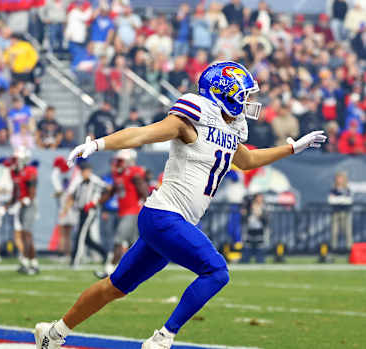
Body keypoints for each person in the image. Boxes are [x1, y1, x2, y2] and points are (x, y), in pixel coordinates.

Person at [34, 61, 327, 349]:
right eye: (243, 94)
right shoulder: (195, 115)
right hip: (165, 216)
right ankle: (162, 339)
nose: (248, 101)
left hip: (171, 221)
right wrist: (98, 144)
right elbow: (143, 133)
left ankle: (53, 333)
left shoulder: (228, 130)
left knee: (116, 286)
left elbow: (248, 160)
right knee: (216, 271)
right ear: (223, 92)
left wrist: (292, 147)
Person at [94, 149, 148, 279]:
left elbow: (144, 191)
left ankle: (109, 269)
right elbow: (111, 192)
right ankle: (136, 270)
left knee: (119, 240)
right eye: (116, 161)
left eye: (120, 161)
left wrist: (148, 205)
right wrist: (96, 202)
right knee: (133, 244)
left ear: (128, 162)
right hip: (123, 212)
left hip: (133, 212)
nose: (117, 164)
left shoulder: (133, 173)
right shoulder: (117, 175)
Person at [66, 161, 109, 268]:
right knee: (86, 239)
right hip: (81, 210)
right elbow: (72, 194)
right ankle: (105, 254)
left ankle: (75, 260)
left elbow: (108, 189)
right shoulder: (79, 180)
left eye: (86, 171)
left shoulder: (95, 180)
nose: (84, 173)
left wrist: (96, 202)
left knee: (80, 235)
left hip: (90, 211)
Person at [10, 147, 39, 274]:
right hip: (22, 205)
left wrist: (28, 199)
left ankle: (26, 261)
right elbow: (15, 192)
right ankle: (33, 263)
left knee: (27, 234)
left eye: (18, 158)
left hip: (29, 205)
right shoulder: (17, 172)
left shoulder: (30, 171)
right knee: (24, 235)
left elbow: (32, 190)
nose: (16, 161)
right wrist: (7, 206)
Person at [328, 171, 353, 252]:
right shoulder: (333, 189)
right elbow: (331, 200)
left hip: (345, 212)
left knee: (347, 231)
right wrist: (341, 199)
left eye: (341, 178)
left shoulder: (347, 189)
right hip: (335, 212)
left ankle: (349, 249)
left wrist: (339, 199)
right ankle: (333, 248)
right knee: (334, 231)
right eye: (338, 178)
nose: (339, 180)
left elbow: (349, 200)